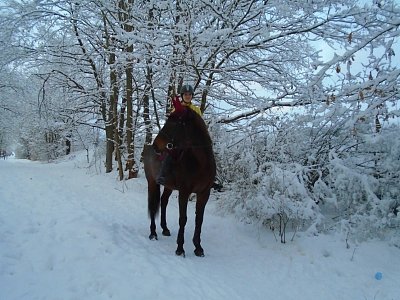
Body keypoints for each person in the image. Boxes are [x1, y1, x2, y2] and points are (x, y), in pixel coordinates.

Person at [157, 84, 201, 185]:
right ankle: (163, 175)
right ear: (182, 95)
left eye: (189, 94)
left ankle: (209, 177)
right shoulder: (176, 108)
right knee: (171, 152)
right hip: (180, 138)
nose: (188, 96)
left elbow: (200, 124)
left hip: (193, 138)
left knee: (205, 151)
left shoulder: (196, 109)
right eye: (185, 94)